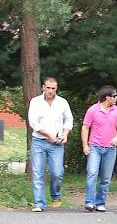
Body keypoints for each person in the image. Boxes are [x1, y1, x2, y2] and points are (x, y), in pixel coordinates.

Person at [28, 77, 74, 212]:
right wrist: (49, 135)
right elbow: (33, 123)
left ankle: (55, 196)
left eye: (53, 88)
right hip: (39, 141)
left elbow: (69, 120)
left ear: (56, 89)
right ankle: (39, 203)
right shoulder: (35, 102)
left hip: (57, 143)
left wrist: (65, 134)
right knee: (37, 173)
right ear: (43, 87)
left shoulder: (62, 102)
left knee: (57, 173)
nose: (50, 91)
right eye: (48, 88)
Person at [81, 85, 117, 212]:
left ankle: (100, 202)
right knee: (92, 173)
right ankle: (89, 202)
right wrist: (85, 145)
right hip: (95, 147)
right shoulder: (93, 110)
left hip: (110, 149)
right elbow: (85, 127)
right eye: (115, 96)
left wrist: (116, 138)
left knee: (106, 178)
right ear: (108, 97)